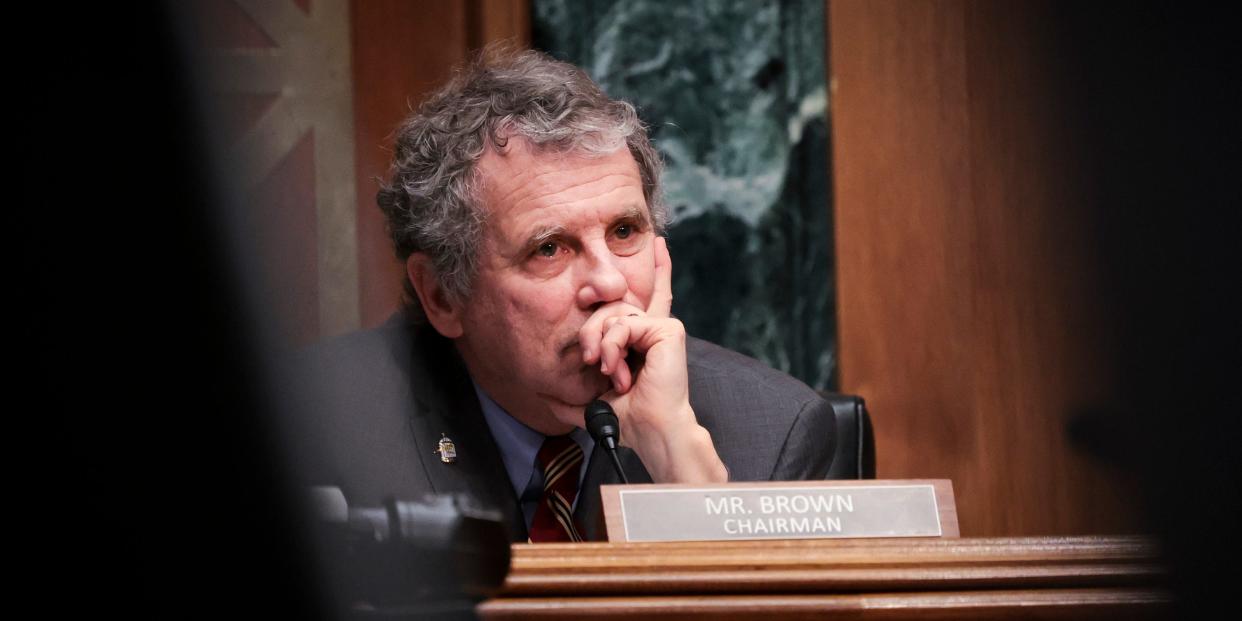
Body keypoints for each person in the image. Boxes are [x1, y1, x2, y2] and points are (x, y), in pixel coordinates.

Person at [296, 49, 836, 542]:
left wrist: (677, 461)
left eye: (625, 232)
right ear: (442, 295)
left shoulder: (770, 434)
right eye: (550, 248)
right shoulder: (313, 429)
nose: (609, 283)